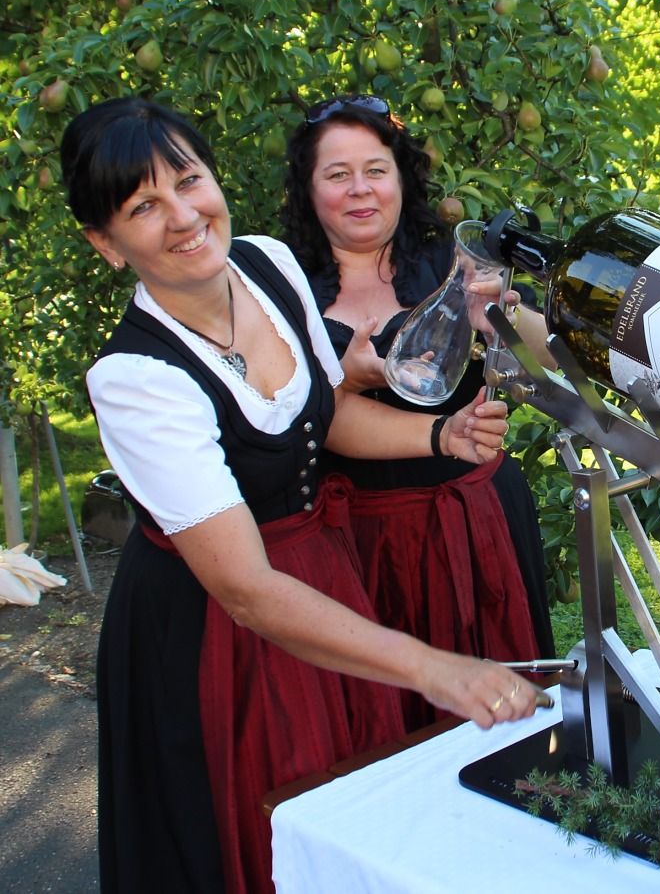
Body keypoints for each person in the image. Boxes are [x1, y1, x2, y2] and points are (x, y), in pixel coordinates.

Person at [63, 97, 539, 894]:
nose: (183, 216)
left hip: (325, 577)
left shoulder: (265, 264)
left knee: (359, 813)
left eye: (189, 180)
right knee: (262, 831)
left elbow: (325, 412)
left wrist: (439, 436)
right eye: (143, 207)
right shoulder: (136, 379)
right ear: (106, 244)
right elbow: (245, 588)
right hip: (217, 634)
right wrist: (431, 668)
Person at [281, 95, 557, 729]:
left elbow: (545, 355)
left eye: (376, 170)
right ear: (309, 189)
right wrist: (341, 380)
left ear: (401, 179)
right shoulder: (284, 289)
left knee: (501, 717)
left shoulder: (450, 263)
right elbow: (292, 417)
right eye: (337, 174)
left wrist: (505, 316)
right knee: (388, 722)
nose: (360, 189)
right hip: (359, 541)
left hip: (475, 520)